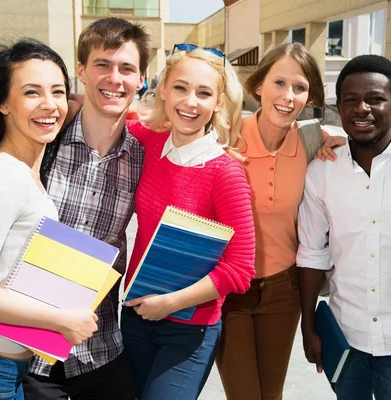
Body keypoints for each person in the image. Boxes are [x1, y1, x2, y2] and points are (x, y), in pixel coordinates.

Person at [0, 38, 98, 399]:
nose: (49, 104)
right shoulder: (6, 176)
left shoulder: (22, 168)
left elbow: (67, 108)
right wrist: (62, 320)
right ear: (2, 103)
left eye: (57, 91)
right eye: (31, 92)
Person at [22, 18, 149, 400]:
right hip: (26, 355)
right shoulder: (42, 139)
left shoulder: (146, 155)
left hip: (100, 351)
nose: (115, 78)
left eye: (126, 68)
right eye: (102, 65)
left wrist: (313, 134)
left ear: (141, 78)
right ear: (80, 71)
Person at [121, 44, 256, 399]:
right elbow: (96, 112)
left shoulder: (226, 173)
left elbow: (240, 270)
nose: (190, 102)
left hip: (189, 329)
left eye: (204, 93)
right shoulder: (146, 142)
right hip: (135, 314)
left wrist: (171, 302)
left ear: (218, 103)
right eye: (180, 88)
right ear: (163, 89)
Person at [296, 55, 391, 400]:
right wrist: (308, 326)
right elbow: (312, 252)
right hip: (345, 334)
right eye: (350, 100)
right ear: (338, 107)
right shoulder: (321, 171)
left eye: (374, 98)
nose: (362, 109)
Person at [215, 42, 333, 400]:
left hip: (284, 289)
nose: (288, 96)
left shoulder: (314, 141)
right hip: (229, 290)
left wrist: (336, 144)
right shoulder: (225, 135)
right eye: (279, 83)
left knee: (272, 395)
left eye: (299, 88)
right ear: (258, 86)